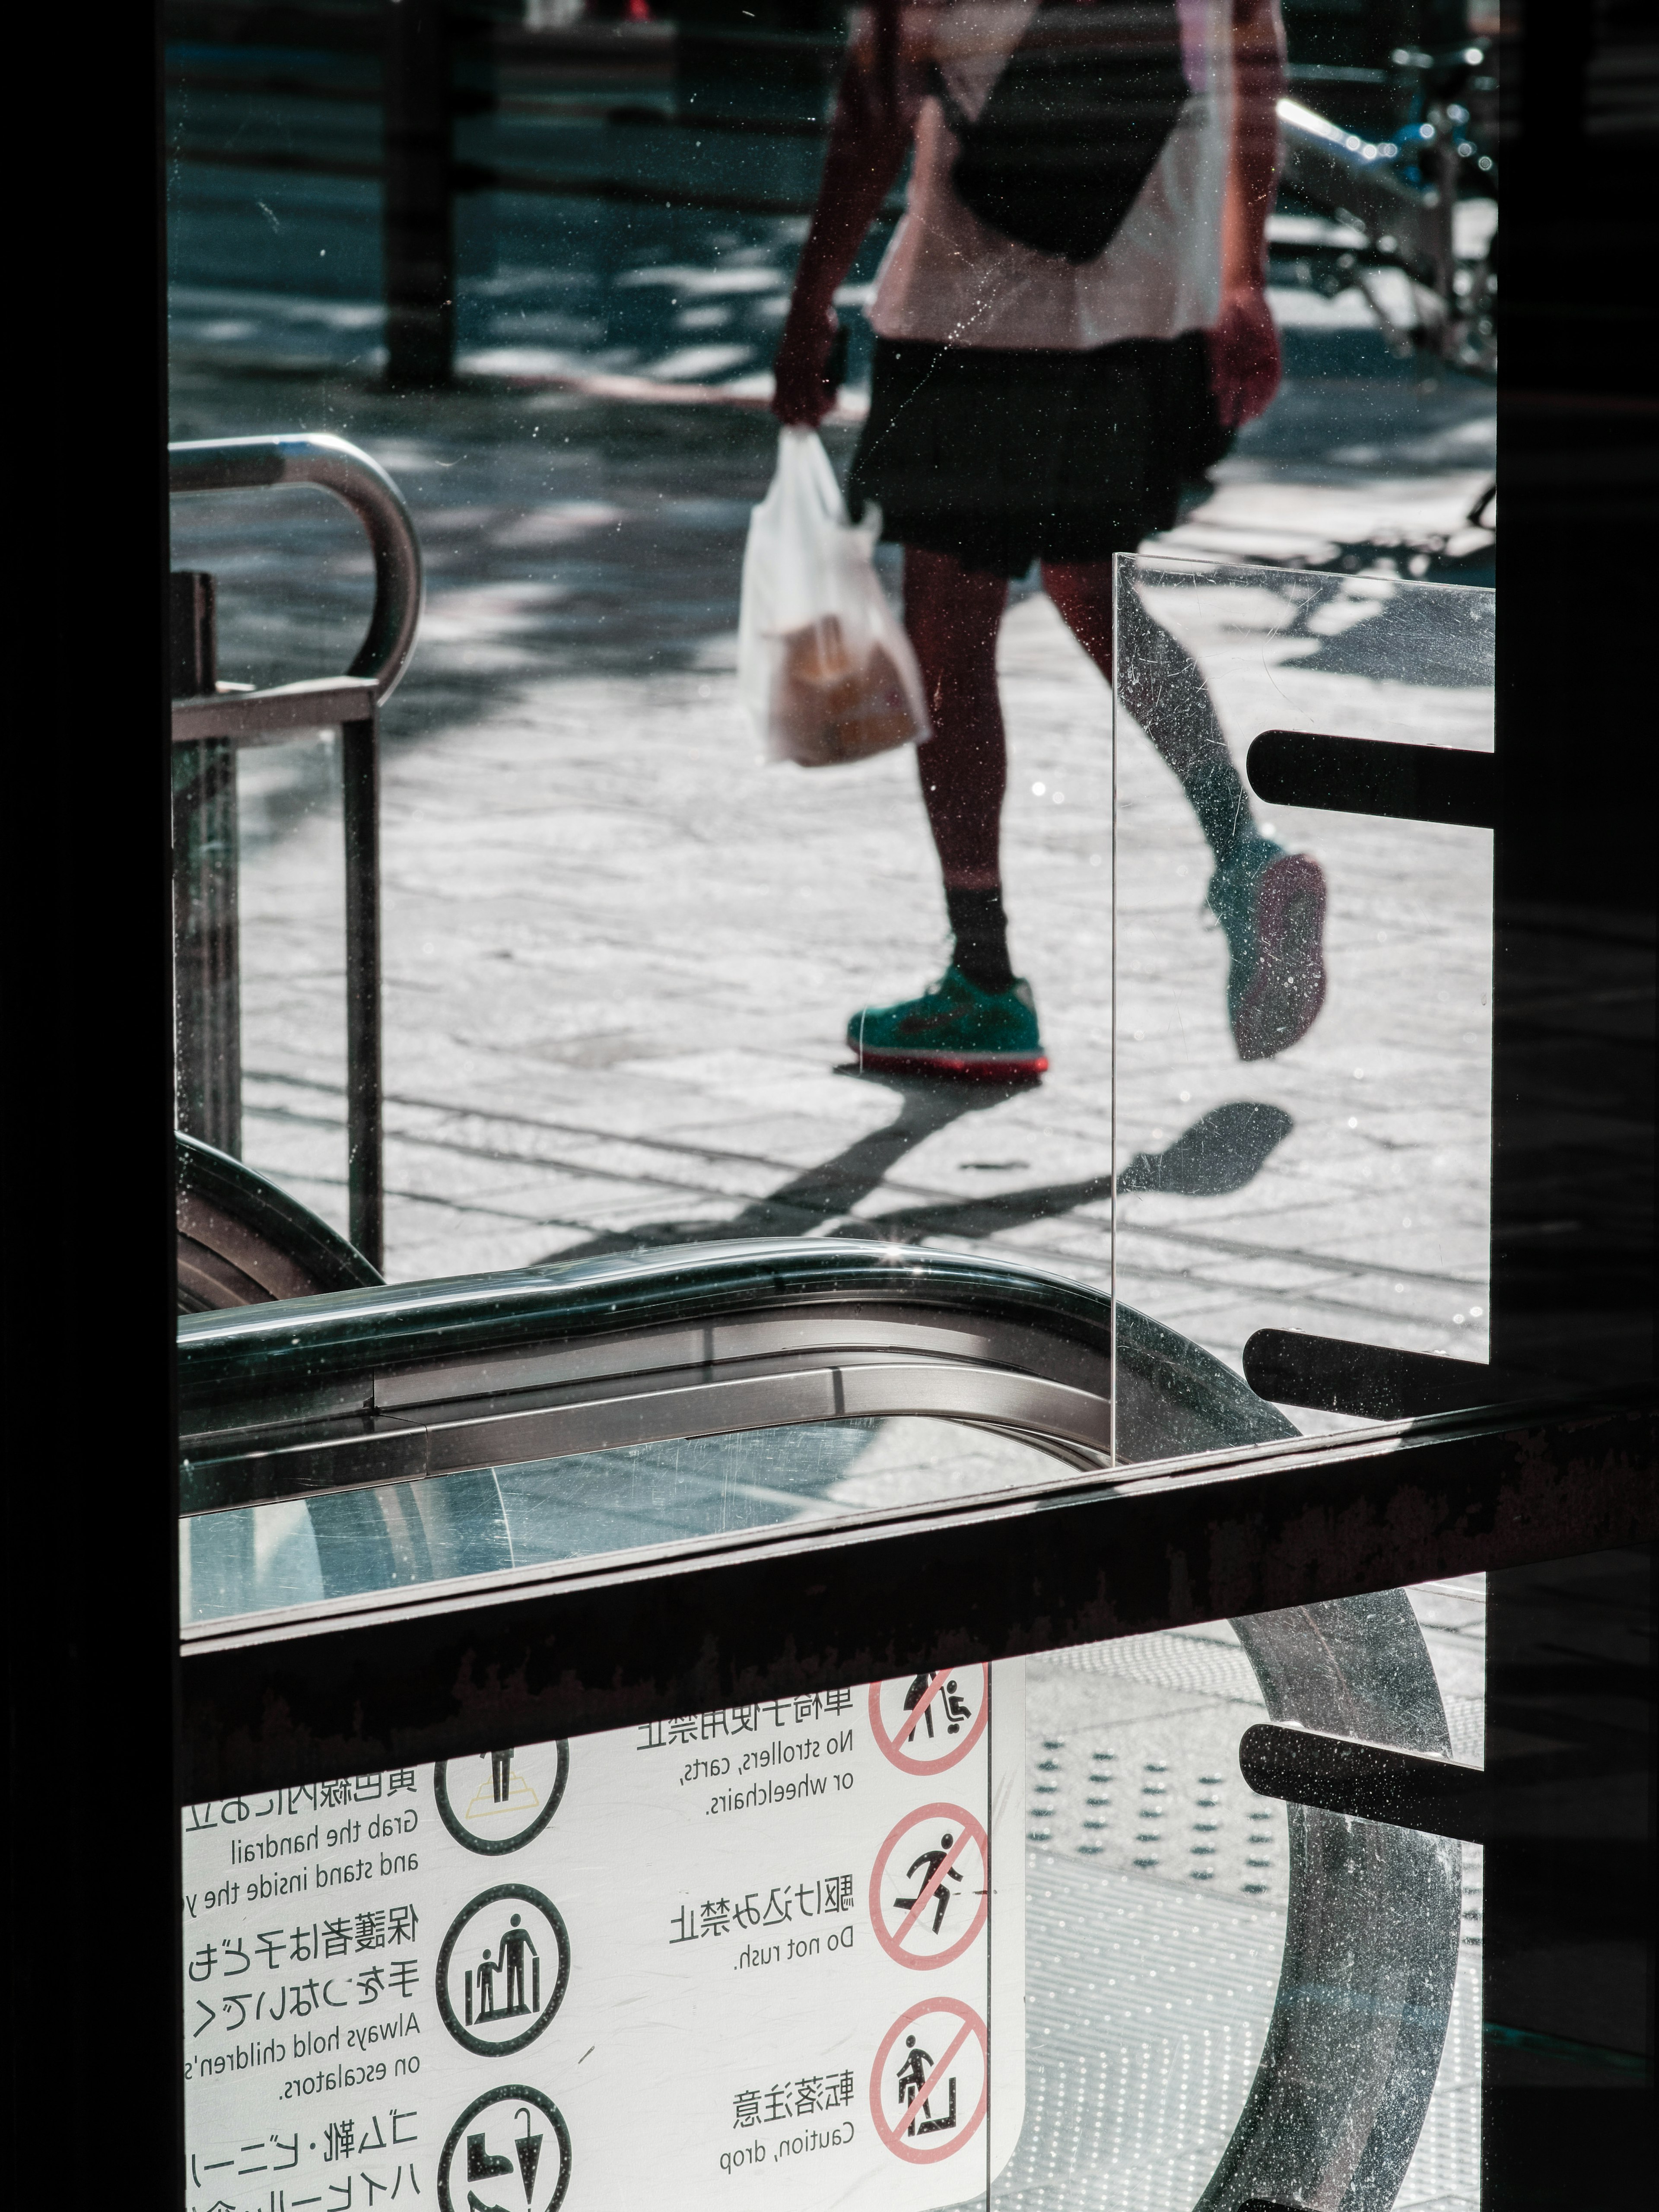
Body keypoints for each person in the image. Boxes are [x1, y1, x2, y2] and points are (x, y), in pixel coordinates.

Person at [772, 0, 1328, 1076]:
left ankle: (983, 978)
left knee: (947, 625)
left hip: (976, 308)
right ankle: (1242, 855)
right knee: (1095, 590)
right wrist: (1243, 276)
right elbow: (1255, 57)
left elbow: (876, 98)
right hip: (1152, 302)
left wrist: (810, 305)